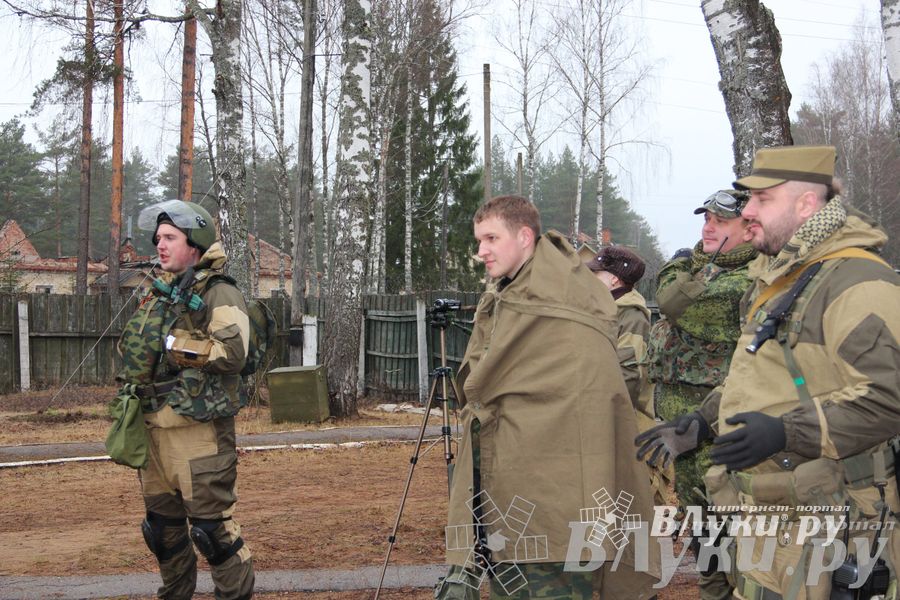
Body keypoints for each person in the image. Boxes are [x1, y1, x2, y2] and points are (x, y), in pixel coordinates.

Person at [637, 145, 900, 599]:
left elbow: (888, 398)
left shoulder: (856, 281)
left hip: (834, 523)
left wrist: (784, 431)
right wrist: (704, 420)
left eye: (763, 200)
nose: (750, 211)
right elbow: (759, 375)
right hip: (774, 518)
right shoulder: (784, 278)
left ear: (805, 204)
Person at [436, 195, 659, 599]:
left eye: (490, 238)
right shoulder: (515, 294)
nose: (480, 251)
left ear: (524, 237)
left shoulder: (559, 306)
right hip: (513, 498)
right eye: (478, 240)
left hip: (553, 512)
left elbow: (588, 399)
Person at [117, 199, 254, 599]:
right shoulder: (158, 293)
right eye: (158, 238)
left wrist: (173, 344)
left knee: (214, 534)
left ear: (194, 243)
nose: (160, 245)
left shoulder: (219, 292)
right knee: (162, 531)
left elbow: (233, 353)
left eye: (170, 238)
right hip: (153, 429)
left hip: (199, 433)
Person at [644, 188, 757, 600]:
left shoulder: (743, 281)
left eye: (720, 221)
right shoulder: (707, 268)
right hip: (687, 431)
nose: (707, 227)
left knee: (731, 531)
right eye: (704, 219)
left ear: (749, 229)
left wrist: (679, 264)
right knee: (705, 530)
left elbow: (675, 302)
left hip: (719, 424)